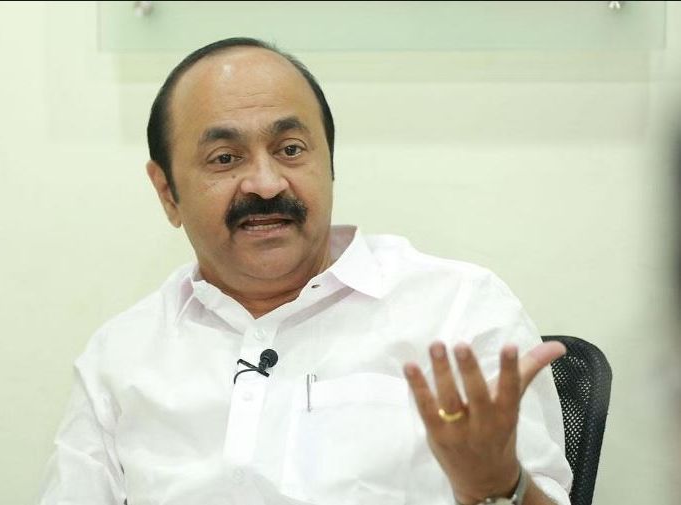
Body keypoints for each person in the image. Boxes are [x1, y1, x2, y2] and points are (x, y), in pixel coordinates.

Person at [38, 37, 572, 505]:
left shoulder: (458, 311)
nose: (266, 183)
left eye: (290, 150)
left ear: (329, 165)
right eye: (225, 158)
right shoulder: (119, 357)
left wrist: (496, 487)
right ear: (167, 192)